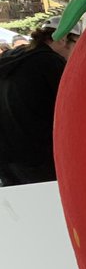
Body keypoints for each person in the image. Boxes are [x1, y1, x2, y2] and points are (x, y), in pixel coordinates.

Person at [0, 16, 80, 185]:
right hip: (40, 159)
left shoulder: (9, 58)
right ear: (64, 39)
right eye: (77, 45)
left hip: (8, 160)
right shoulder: (49, 62)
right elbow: (73, 110)